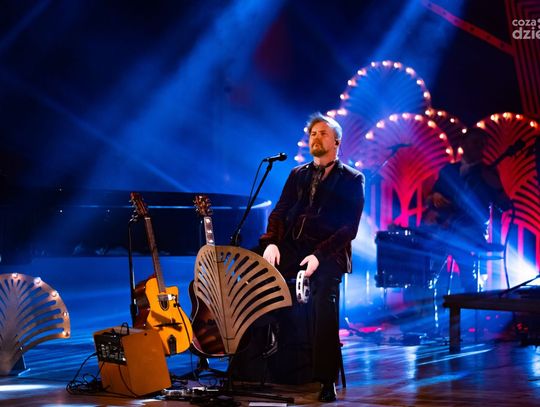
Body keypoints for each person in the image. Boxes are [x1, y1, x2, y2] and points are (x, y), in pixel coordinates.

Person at [259, 112, 365, 402]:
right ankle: (258, 363)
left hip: (329, 253)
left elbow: (349, 228)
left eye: (323, 134)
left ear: (337, 142)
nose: (316, 138)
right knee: (255, 273)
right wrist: (272, 242)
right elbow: (280, 211)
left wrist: (318, 256)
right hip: (293, 247)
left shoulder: (352, 179)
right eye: (313, 134)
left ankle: (326, 379)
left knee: (323, 303)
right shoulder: (298, 174)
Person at [422, 126, 512, 293]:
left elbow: (505, 206)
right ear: (463, 143)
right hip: (445, 226)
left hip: (471, 229)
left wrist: (497, 187)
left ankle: (467, 290)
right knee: (429, 249)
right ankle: (429, 288)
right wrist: (434, 197)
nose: (479, 147)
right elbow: (428, 201)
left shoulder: (488, 173)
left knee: (455, 244)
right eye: (475, 142)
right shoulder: (448, 170)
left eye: (482, 144)